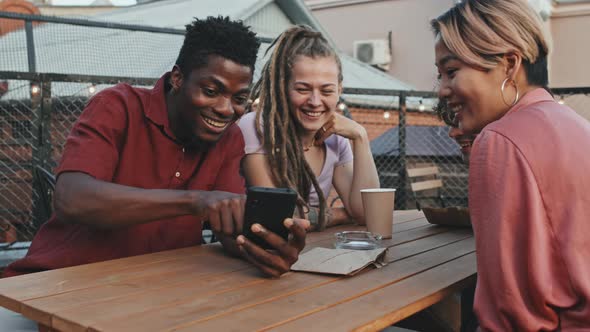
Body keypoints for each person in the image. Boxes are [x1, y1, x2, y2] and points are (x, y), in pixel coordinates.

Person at [3, 16, 309, 280]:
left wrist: (266, 249)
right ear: (178, 78)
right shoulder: (117, 106)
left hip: (152, 292)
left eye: (239, 98)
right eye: (211, 91)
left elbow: (228, 227)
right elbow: (72, 199)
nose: (226, 109)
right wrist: (196, 201)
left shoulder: (229, 139)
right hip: (55, 285)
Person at [432, 0, 590, 330]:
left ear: (509, 64)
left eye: (451, 71)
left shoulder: (500, 140)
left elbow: (510, 315)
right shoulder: (575, 125)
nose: (443, 90)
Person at [238, 25, 379, 230]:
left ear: (339, 89)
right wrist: (337, 215)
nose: (315, 101)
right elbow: (278, 219)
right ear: (282, 87)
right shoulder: (255, 127)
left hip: (316, 251)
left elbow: (367, 213)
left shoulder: (336, 138)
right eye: (303, 89)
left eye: (327, 90)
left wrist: (360, 137)